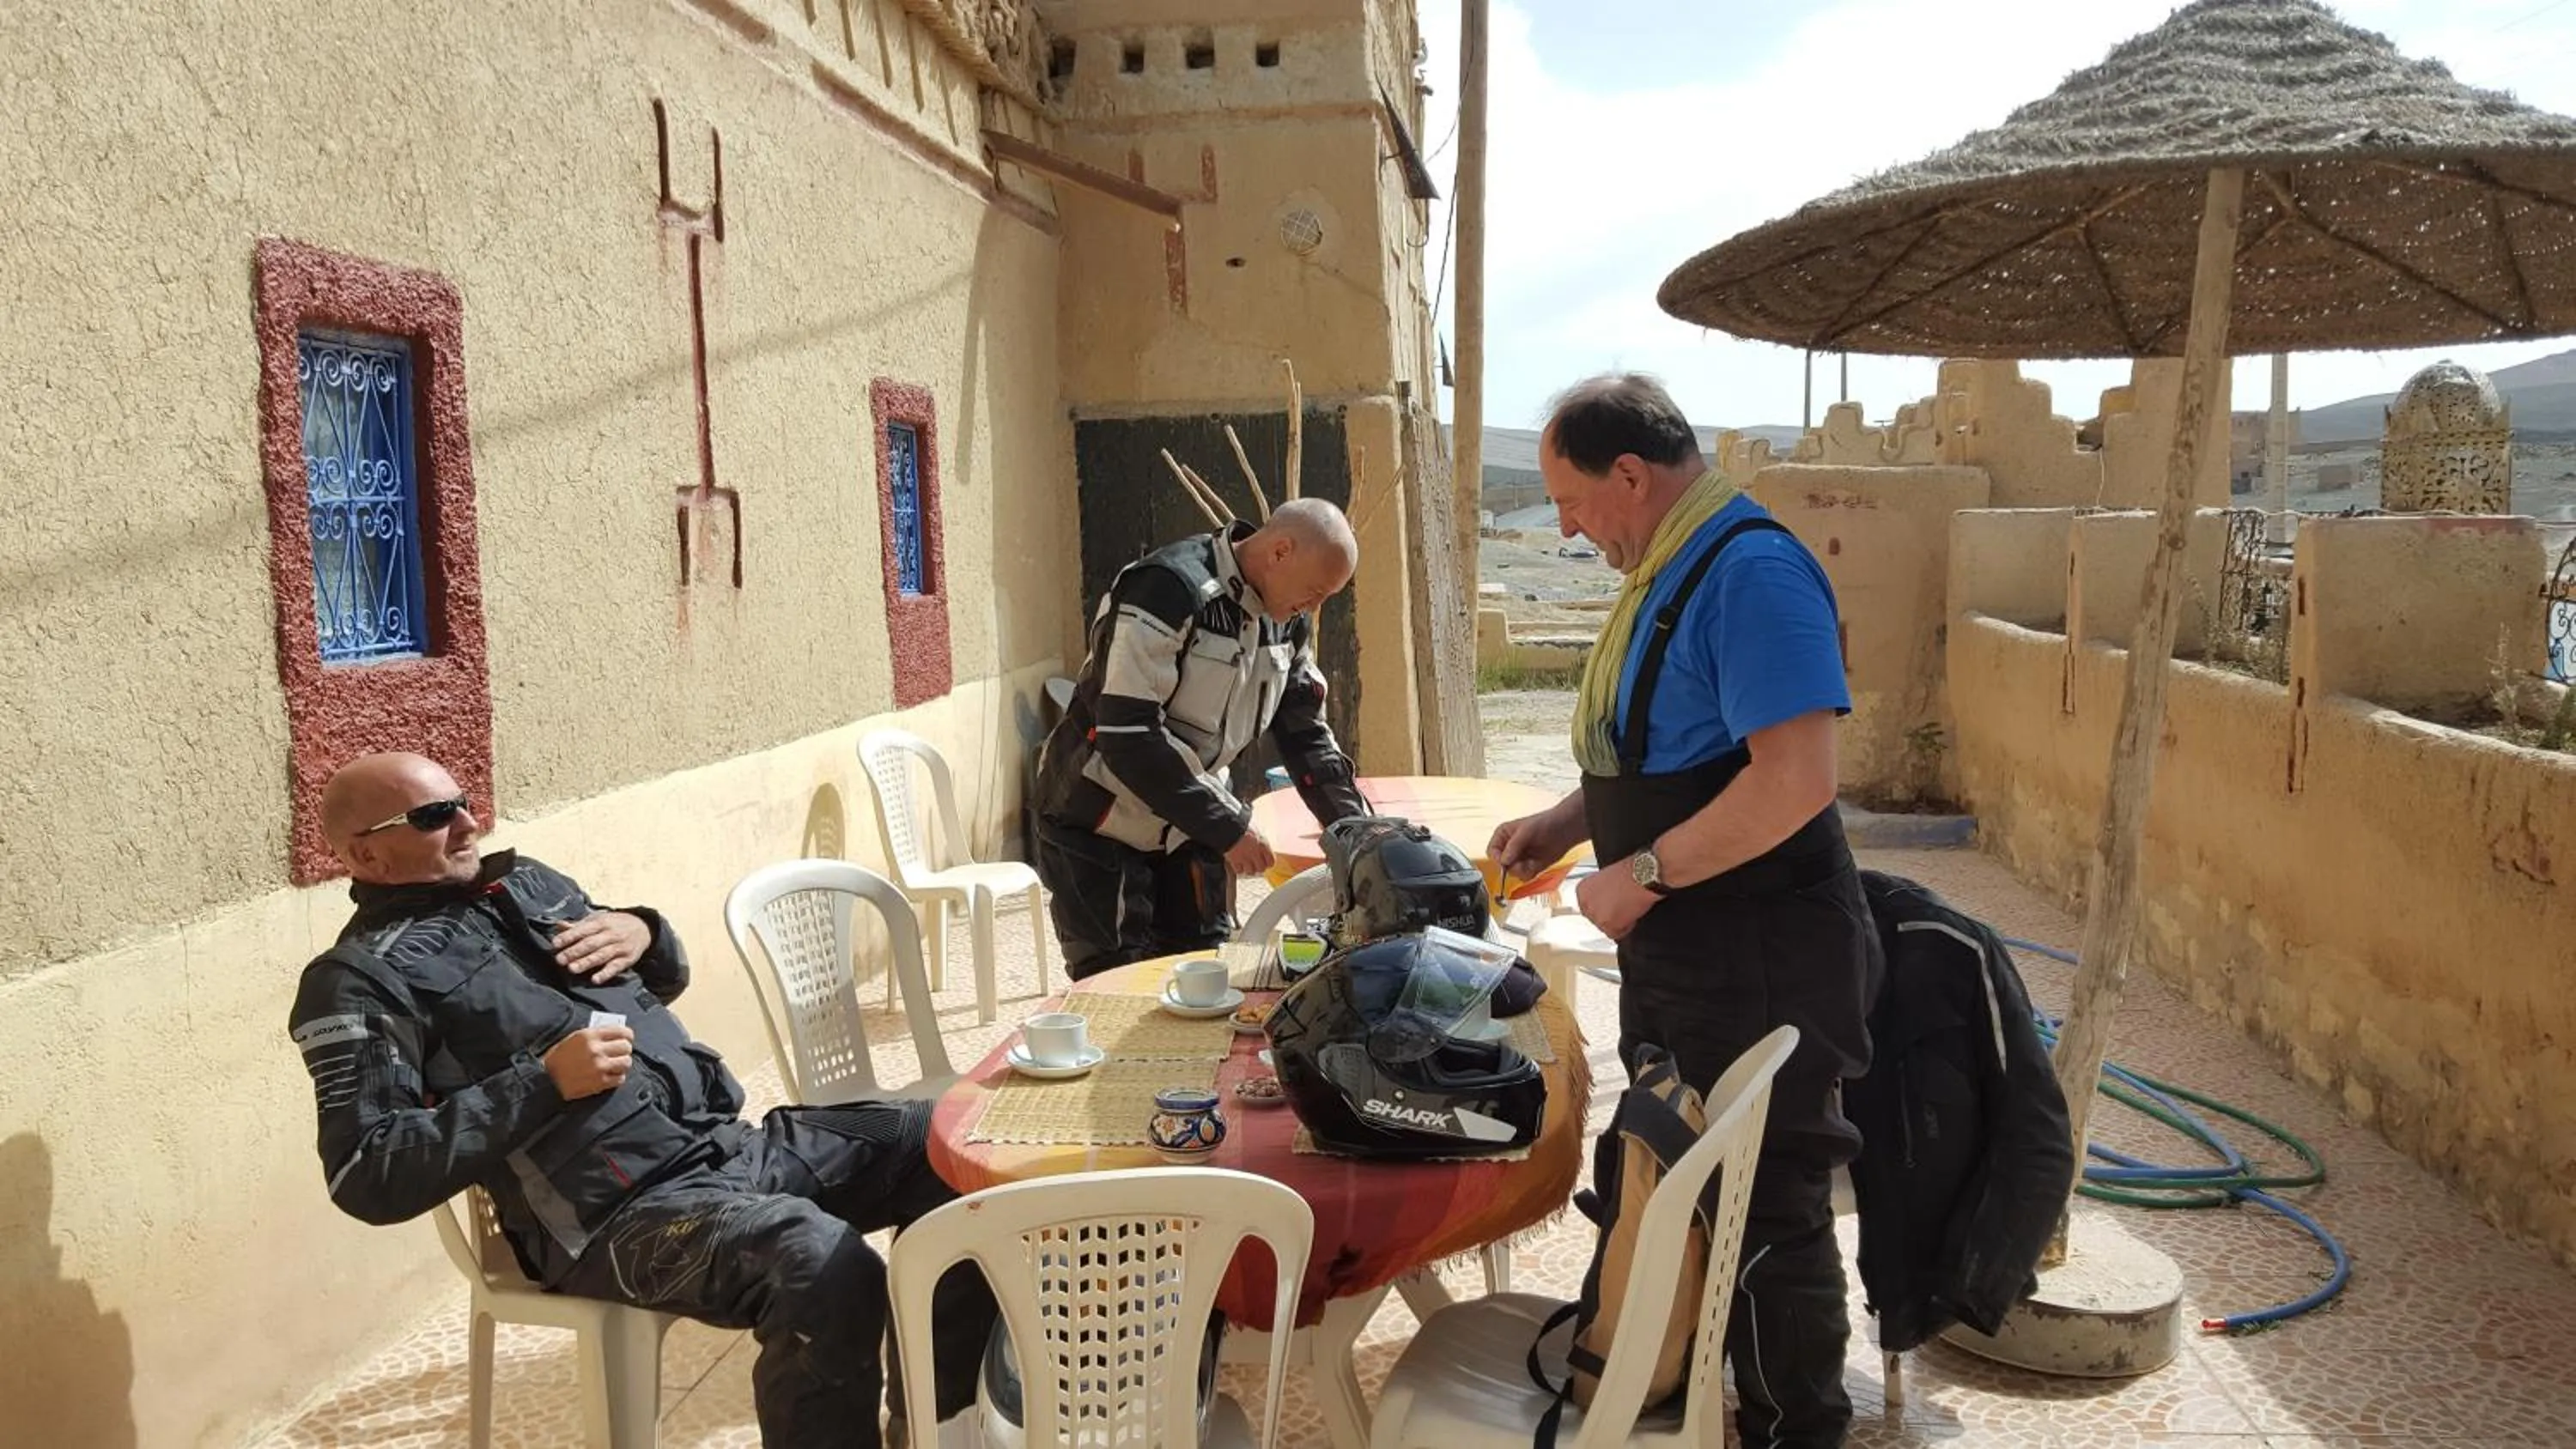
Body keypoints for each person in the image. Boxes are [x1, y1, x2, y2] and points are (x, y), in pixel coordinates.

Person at [285, 751, 992, 1449]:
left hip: (730, 1151)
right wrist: (540, 1082)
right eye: (434, 816)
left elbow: (660, 977)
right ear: (366, 856)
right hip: (618, 1220)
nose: (468, 823)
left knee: (952, 1145)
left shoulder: (527, 885)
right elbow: (366, 1172)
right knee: (818, 1262)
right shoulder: (360, 980)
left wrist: (644, 930)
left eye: (465, 800)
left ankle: (939, 1427)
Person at [1489, 375, 1879, 1449]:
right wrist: (1572, 821)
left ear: (1630, 473)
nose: (1563, 524)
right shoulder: (1672, 564)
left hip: (1761, 951)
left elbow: (1794, 776)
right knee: (1687, 1173)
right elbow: (1675, 747)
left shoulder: (1749, 572)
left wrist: (1644, 872)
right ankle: (1701, 1388)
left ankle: (1800, 1425)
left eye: (1570, 498)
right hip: (1693, 949)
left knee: (1766, 1197)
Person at [1033, 497, 1371, 979]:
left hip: (1187, 827)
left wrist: (1357, 836)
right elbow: (1127, 734)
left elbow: (1306, 735)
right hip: (1097, 822)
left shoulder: (1286, 618)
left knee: (1208, 971)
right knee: (1118, 985)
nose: (1315, 609)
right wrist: (1228, 826)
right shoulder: (1165, 590)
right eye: (1315, 592)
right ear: (1280, 552)